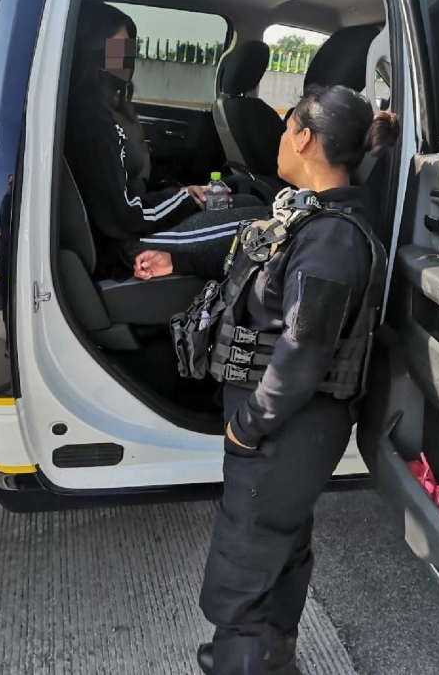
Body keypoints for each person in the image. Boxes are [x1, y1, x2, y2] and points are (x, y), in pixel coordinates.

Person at [133, 84, 400, 675]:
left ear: (304, 138)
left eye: (285, 128)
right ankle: (267, 654)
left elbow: (303, 351)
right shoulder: (310, 215)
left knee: (246, 558)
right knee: (276, 542)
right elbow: (256, 246)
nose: (279, 139)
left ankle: (244, 657)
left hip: (287, 423)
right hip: (285, 425)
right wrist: (180, 259)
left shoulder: (332, 238)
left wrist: (248, 427)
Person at [64, 1, 261, 276]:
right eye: (118, 51)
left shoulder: (103, 108)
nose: (127, 60)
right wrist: (188, 200)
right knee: (263, 223)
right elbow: (123, 216)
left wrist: (183, 192)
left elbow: (132, 194)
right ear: (92, 51)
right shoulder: (88, 123)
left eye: (128, 51)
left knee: (249, 203)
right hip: (125, 247)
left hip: (134, 225)